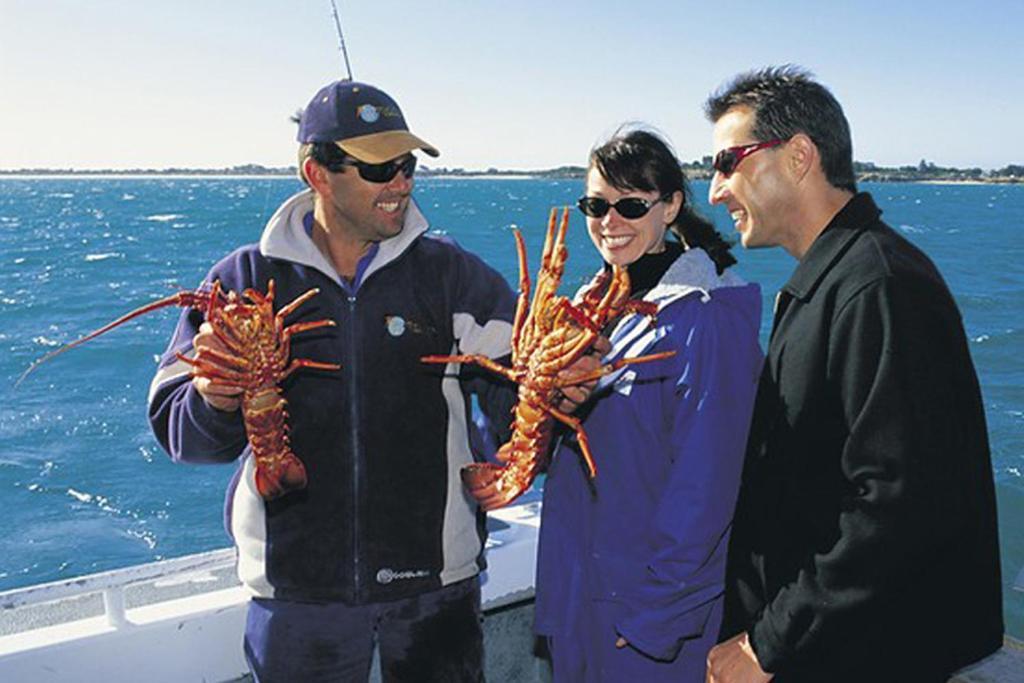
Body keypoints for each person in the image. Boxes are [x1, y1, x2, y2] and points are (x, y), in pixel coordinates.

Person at [148, 79, 519, 682]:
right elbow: (180, 433)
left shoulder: (454, 276)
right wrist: (214, 397)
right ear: (316, 173)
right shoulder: (243, 278)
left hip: (435, 593)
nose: (401, 183)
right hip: (298, 600)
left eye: (406, 165)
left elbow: (518, 392)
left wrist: (559, 394)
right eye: (379, 169)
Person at [703, 66, 1003, 683]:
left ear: (799, 156)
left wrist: (769, 643)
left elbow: (894, 504)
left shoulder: (878, 287)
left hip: (864, 656)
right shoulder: (839, 278)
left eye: (728, 161)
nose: (715, 190)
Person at [533, 127, 764, 682]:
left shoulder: (705, 319)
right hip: (579, 602)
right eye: (596, 205)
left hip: (647, 624)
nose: (609, 221)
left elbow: (708, 491)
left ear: (672, 207)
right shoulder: (587, 311)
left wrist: (651, 620)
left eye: (631, 205)